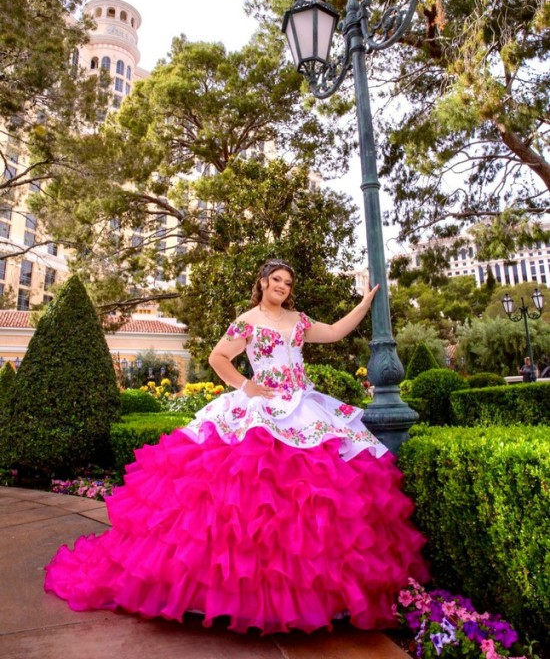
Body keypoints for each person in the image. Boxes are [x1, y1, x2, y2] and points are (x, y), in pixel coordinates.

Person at [44, 259, 429, 634]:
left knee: (315, 490)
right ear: (263, 282)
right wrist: (246, 386)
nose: (282, 287)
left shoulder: (299, 321)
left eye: (288, 283)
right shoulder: (246, 321)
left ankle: (307, 595)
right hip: (260, 404)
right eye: (276, 280)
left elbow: (334, 333)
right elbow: (218, 357)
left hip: (303, 405)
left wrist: (364, 304)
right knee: (242, 495)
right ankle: (236, 592)